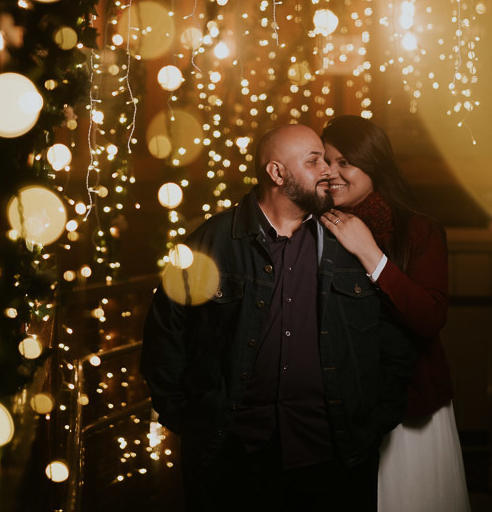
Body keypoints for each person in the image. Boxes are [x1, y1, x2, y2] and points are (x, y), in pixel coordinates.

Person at [141, 124, 416, 512]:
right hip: (233, 459)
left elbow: (393, 334)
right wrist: (189, 420)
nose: (328, 171)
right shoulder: (210, 242)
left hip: (333, 456)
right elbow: (163, 338)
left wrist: (375, 419)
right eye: (313, 160)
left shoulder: (351, 240)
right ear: (277, 173)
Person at [320, 114, 471, 512]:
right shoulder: (315, 228)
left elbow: (429, 318)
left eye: (344, 162)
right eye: (325, 162)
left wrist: (369, 253)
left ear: (374, 164)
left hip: (410, 405)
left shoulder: (419, 231)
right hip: (338, 406)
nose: (331, 173)